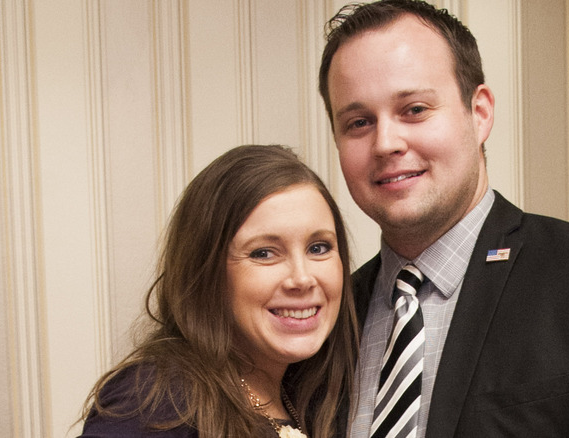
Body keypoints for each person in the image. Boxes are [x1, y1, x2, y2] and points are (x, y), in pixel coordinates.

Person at [318, 0, 569, 436]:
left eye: (414, 110)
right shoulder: (329, 318)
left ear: (479, 112)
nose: (386, 142)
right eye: (358, 122)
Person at [77, 145, 358, 437]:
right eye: (263, 253)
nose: (302, 278)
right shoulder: (157, 402)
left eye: (318, 248)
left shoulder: (310, 400)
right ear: (206, 271)